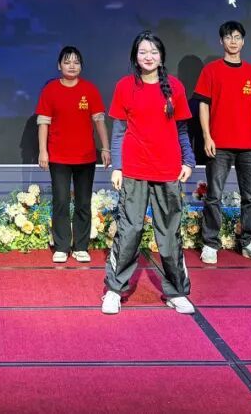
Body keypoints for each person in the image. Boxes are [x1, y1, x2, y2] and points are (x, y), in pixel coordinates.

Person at [102, 31, 195, 315]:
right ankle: (114, 290)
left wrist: (188, 161)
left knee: (169, 234)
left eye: (154, 52)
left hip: (168, 170)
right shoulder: (125, 86)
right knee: (129, 231)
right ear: (135, 57)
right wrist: (117, 167)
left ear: (162, 56)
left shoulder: (175, 87)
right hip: (134, 169)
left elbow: (182, 130)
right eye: (143, 52)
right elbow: (118, 132)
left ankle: (176, 292)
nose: (148, 57)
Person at [195, 21, 251, 265]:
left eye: (237, 37)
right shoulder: (211, 71)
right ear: (221, 41)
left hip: (248, 145)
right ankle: (210, 243)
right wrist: (207, 136)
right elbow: (203, 105)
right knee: (214, 195)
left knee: (250, 197)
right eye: (228, 37)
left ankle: (250, 242)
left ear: (243, 41)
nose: (233, 41)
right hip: (219, 144)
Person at [36, 46, 110, 264]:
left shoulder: (90, 89)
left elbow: (99, 122)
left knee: (83, 202)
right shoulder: (50, 90)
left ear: (81, 66)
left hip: (85, 157)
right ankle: (61, 247)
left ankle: (80, 247)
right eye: (67, 62)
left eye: (76, 62)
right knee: (60, 201)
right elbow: (43, 123)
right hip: (58, 157)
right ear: (59, 65)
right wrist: (43, 151)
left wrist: (105, 148)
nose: (72, 66)